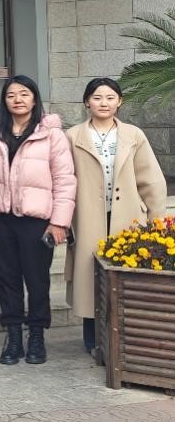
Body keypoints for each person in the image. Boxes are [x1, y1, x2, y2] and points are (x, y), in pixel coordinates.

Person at [0, 75, 76, 366]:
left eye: (24, 94)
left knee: (37, 279)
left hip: (37, 220)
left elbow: (65, 180)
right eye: (11, 95)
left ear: (34, 98)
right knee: (6, 279)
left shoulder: (51, 135)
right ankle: (14, 336)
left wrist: (59, 222)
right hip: (0, 219)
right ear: (4, 100)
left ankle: (37, 336)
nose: (17, 99)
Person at [65, 78, 167, 354]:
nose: (104, 103)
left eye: (110, 98)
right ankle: (93, 339)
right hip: (87, 216)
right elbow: (64, 179)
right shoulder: (72, 136)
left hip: (127, 215)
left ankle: (126, 338)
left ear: (119, 102)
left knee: (125, 276)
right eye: (97, 98)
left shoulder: (133, 135)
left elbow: (151, 179)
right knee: (90, 277)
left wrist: (156, 220)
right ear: (87, 102)